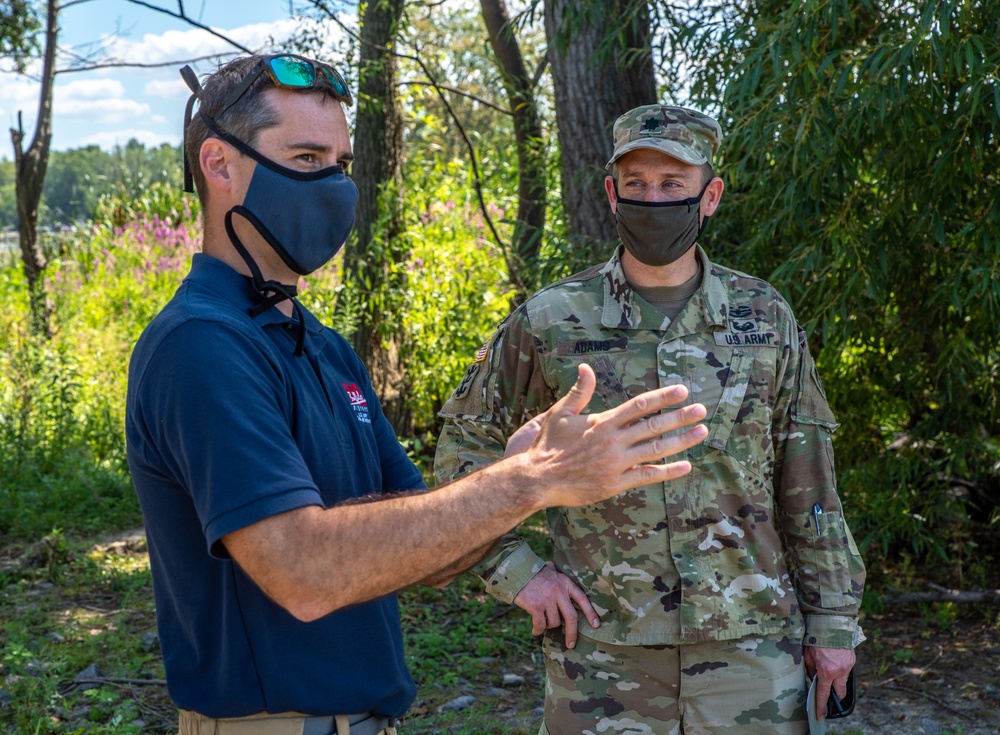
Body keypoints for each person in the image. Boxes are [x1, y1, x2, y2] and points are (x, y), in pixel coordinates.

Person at [125, 58, 710, 735]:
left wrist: (516, 475)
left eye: (341, 162)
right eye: (307, 157)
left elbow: (432, 550)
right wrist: (527, 482)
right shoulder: (201, 343)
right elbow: (304, 570)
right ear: (219, 165)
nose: (335, 187)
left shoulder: (324, 347)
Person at [434, 104, 867, 735]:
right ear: (611, 194)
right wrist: (517, 574)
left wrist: (832, 623)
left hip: (751, 650)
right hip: (605, 656)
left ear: (709, 195)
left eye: (672, 186)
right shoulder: (552, 320)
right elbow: (462, 454)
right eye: (636, 185)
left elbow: (810, 483)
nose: (652, 199)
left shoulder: (764, 317)